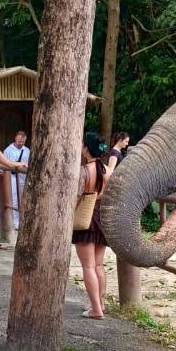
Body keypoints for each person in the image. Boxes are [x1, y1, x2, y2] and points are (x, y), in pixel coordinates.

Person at [73, 131, 109, 319]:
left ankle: (96, 309)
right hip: (101, 217)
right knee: (98, 265)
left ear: (86, 149)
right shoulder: (106, 170)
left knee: (88, 266)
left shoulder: (84, 170)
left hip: (86, 217)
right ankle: (100, 304)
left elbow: (77, 195)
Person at [2, 129, 30, 227]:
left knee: (23, 199)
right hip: (12, 178)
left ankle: (23, 221)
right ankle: (15, 222)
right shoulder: (8, 150)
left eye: (23, 142)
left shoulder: (27, 151)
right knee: (14, 199)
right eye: (19, 141)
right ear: (15, 139)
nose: (20, 143)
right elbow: (3, 164)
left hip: (24, 177)